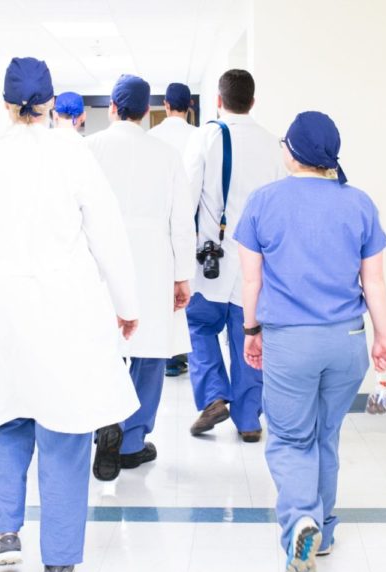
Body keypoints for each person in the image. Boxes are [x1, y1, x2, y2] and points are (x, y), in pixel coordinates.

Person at [0, 57, 141, 572]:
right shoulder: (73, 157)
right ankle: (58, 562)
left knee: (4, 421)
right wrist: (127, 304)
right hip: (65, 314)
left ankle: (7, 535)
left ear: (5, 106)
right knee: (65, 432)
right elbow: (108, 235)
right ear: (51, 104)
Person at [233, 111, 386, 572]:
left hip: (291, 342)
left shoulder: (263, 202)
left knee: (289, 438)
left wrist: (250, 331)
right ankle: (322, 532)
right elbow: (376, 282)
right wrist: (383, 338)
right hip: (346, 341)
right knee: (326, 436)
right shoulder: (359, 203)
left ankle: (300, 519)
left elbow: (250, 279)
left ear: (293, 152)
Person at [84, 75, 194, 481]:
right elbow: (182, 223)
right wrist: (182, 277)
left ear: (112, 107)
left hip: (100, 260)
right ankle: (130, 442)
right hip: (153, 261)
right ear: (148, 111)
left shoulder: (88, 149)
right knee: (149, 352)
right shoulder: (166, 155)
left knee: (102, 346)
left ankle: (103, 421)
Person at [182, 69, 286, 442]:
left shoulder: (207, 136)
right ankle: (248, 420)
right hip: (255, 267)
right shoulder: (274, 145)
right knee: (250, 336)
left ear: (219, 101)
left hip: (210, 262)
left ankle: (214, 396)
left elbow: (186, 198)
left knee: (198, 328)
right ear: (253, 102)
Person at [148, 82, 197, 378]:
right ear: (189, 105)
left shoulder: (152, 137)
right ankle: (182, 355)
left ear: (165, 105)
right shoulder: (201, 136)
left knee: (161, 291)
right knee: (187, 292)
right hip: (188, 222)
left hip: (157, 225)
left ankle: (167, 356)